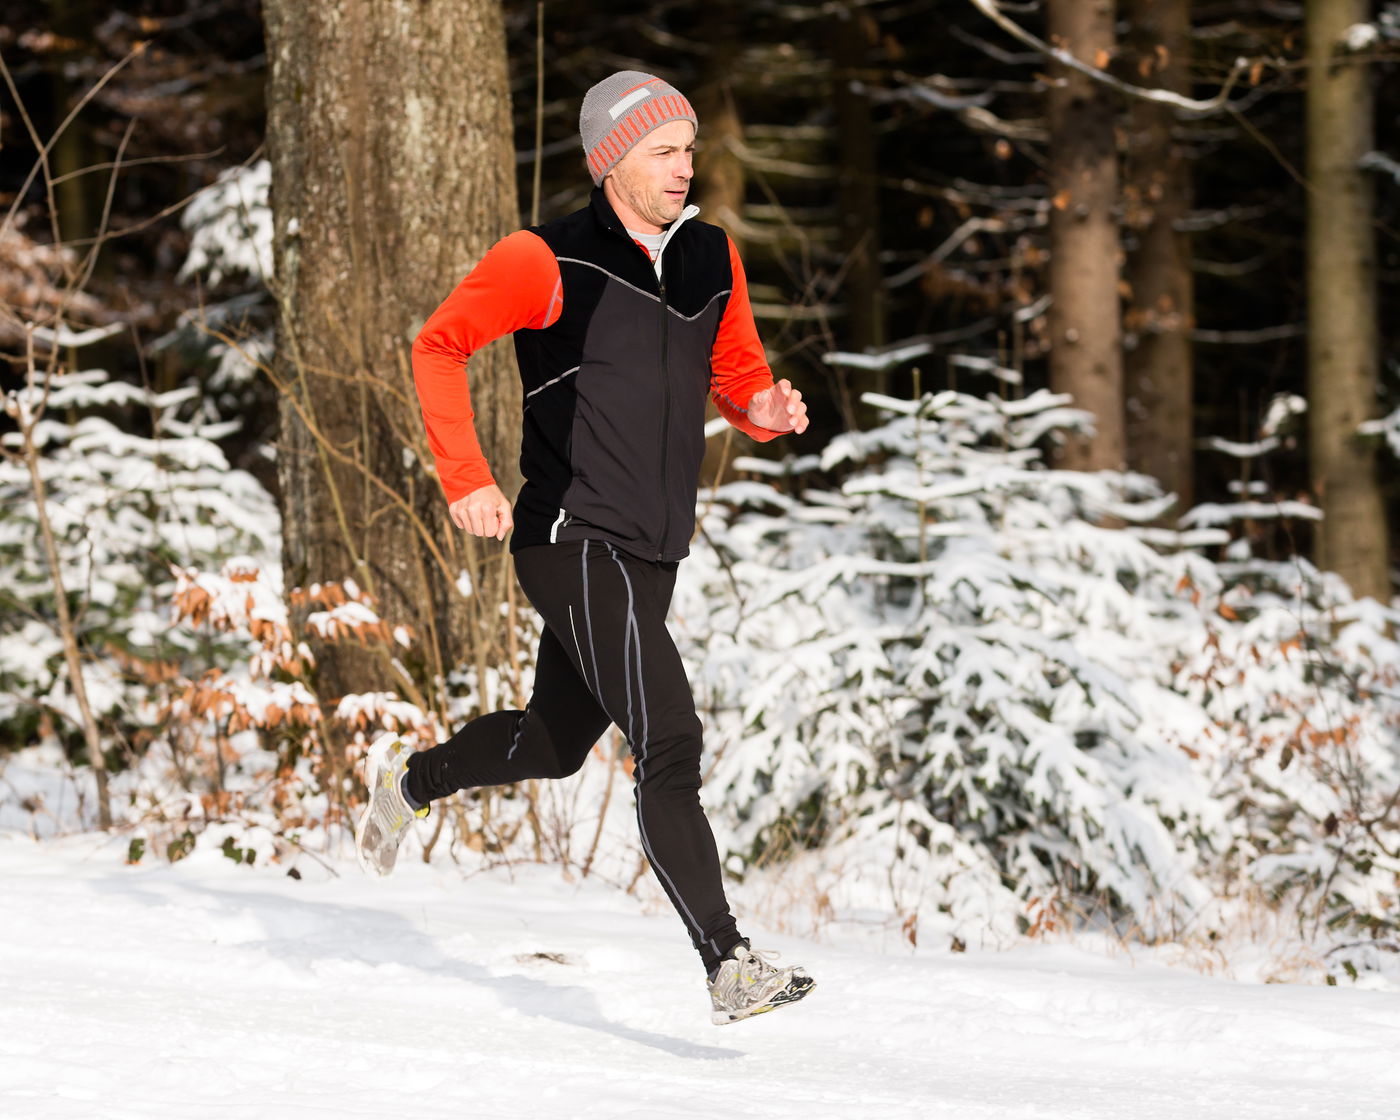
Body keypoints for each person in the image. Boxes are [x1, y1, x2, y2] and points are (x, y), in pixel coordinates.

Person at [354, 70, 814, 1026]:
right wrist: (466, 477)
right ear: (611, 160)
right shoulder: (546, 256)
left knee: (553, 745)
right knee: (669, 737)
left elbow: (736, 372)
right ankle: (727, 963)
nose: (684, 168)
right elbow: (439, 345)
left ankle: (408, 780)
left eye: (689, 150)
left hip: (653, 549)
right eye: (662, 151)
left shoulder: (711, 257)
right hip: (569, 535)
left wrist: (762, 410)